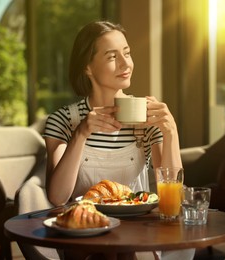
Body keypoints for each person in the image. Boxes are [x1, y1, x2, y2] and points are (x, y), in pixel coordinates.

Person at [43, 21, 195, 260]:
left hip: (138, 233)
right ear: (88, 68)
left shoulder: (146, 117)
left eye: (127, 53)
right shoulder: (64, 120)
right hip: (86, 236)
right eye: (113, 56)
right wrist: (81, 133)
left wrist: (171, 132)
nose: (126, 64)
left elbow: (172, 200)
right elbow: (58, 196)